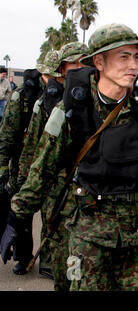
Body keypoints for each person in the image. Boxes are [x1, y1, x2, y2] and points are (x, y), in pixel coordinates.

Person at [1, 23, 138, 291]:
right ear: (98, 61)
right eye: (124, 56)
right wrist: (16, 217)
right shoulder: (71, 109)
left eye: (136, 57)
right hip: (88, 237)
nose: (133, 65)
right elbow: (43, 167)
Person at [15, 42, 88, 289]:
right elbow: (36, 150)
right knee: (63, 260)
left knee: (83, 271)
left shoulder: (103, 99)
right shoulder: (50, 104)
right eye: (76, 64)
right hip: (58, 192)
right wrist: (22, 188)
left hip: (92, 202)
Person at [0, 52, 57, 275]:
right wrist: (3, 168)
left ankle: (48, 263)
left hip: (49, 164)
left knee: (51, 215)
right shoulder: (21, 96)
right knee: (23, 215)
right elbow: (6, 135)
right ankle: (23, 257)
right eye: (49, 73)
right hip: (24, 163)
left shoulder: (60, 94)